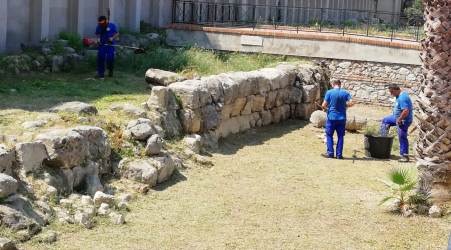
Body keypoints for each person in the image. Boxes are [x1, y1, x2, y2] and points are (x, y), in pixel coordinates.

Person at [380, 84, 413, 162]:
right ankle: (383, 142)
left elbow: (406, 111)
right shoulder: (399, 95)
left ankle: (404, 156)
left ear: (396, 90)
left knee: (402, 136)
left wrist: (400, 119)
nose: (391, 94)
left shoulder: (402, 98)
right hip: (396, 117)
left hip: (404, 120)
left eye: (392, 92)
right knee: (385, 120)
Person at [321, 80, 354, 159]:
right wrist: (345, 106)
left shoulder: (329, 92)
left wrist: (326, 109)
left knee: (329, 135)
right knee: (340, 136)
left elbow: (323, 105)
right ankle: (339, 155)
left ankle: (330, 154)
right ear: (340, 85)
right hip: (342, 118)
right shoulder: (345, 93)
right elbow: (352, 103)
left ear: (333, 84)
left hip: (331, 117)